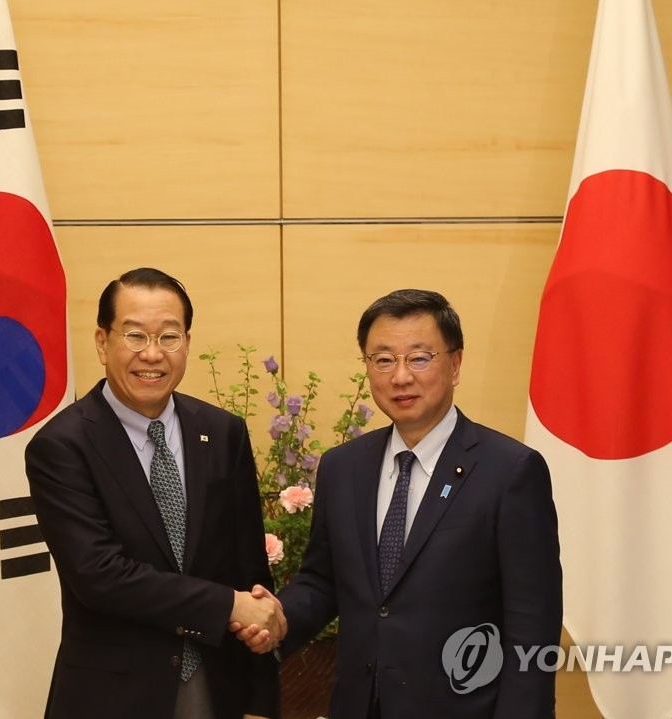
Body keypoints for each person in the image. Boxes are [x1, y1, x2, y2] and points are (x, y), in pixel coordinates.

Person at [239, 288, 563, 718]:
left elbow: (532, 625)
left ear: (456, 364)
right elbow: (322, 582)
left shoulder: (510, 471)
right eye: (384, 359)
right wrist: (277, 619)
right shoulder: (343, 467)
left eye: (419, 358)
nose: (401, 377)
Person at [25, 267, 283, 719]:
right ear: (103, 342)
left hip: (217, 689)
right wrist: (227, 606)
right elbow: (100, 576)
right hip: (112, 698)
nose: (152, 354)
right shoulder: (62, 446)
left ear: (186, 342)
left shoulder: (223, 433)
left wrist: (261, 700)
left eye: (169, 337)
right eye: (135, 336)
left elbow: (250, 571)